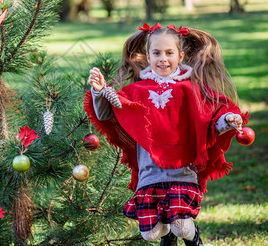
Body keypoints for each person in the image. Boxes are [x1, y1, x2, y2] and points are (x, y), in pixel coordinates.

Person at [84, 23, 248, 246]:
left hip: (182, 170)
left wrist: (227, 120)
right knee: (150, 234)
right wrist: (99, 91)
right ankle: (167, 235)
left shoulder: (190, 89)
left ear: (180, 56)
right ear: (148, 56)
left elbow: (207, 122)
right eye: (157, 53)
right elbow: (106, 115)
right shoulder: (136, 91)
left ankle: (194, 239)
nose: (163, 58)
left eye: (169, 53)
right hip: (150, 172)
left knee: (182, 226)